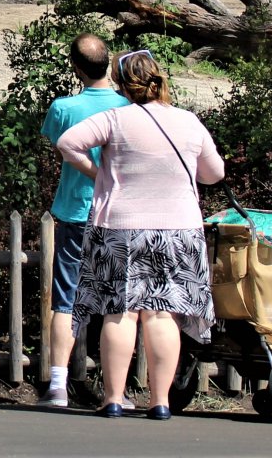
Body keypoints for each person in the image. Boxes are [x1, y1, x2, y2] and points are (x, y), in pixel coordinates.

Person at [56, 49, 224, 420]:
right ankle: (160, 402)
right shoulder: (188, 121)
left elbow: (68, 143)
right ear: (159, 77)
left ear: (121, 83)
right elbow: (214, 174)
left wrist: (99, 174)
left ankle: (113, 398)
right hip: (178, 230)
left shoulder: (115, 119)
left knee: (120, 313)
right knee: (163, 315)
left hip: (121, 228)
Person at [38, 34, 128, 408]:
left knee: (66, 299)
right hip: (118, 214)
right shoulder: (129, 107)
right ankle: (115, 391)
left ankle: (57, 385)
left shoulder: (63, 108)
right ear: (108, 63)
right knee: (116, 303)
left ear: (75, 67)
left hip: (75, 212)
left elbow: (56, 143)